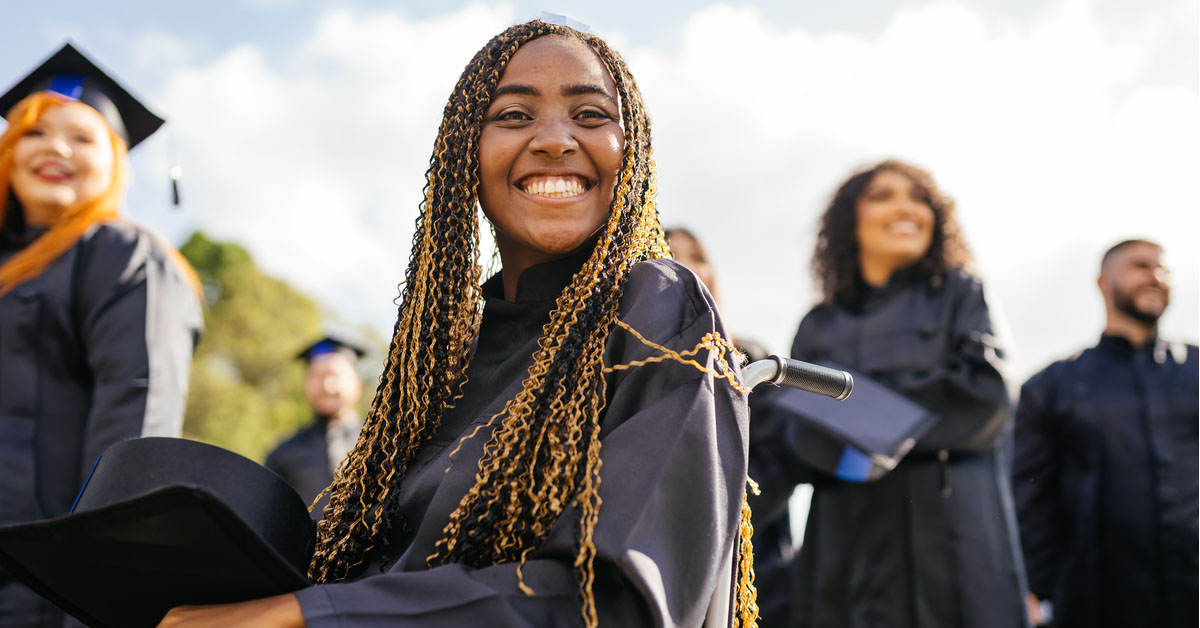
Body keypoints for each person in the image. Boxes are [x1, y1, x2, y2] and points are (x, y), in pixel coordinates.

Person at [159, 19, 751, 628]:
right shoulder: (442, 362)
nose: (554, 139)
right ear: (465, 152)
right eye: (515, 115)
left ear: (634, 153)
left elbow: (619, 604)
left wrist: (304, 614)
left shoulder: (655, 307)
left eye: (592, 115)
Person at [760, 159, 1027, 627]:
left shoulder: (962, 294)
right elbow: (797, 430)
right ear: (849, 222)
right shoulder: (818, 325)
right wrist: (887, 421)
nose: (905, 206)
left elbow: (983, 396)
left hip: (953, 543)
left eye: (918, 197)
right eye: (882, 196)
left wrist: (848, 409)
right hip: (844, 549)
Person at [0, 43, 203, 626]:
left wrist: (95, 602)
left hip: (42, 588)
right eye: (36, 132)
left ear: (116, 160)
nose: (56, 149)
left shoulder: (125, 258)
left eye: (83, 138)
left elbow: (133, 436)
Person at [1012, 239, 1197, 628]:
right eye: (1140, 266)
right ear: (1103, 282)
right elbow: (1030, 499)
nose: (1156, 277)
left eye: (1163, 270)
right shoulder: (1052, 386)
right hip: (1094, 598)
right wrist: (1031, 588)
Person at [266, 336, 366, 518]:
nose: (327, 386)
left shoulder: (383, 447)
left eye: (335, 376)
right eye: (318, 376)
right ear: (306, 385)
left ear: (357, 385)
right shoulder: (283, 455)